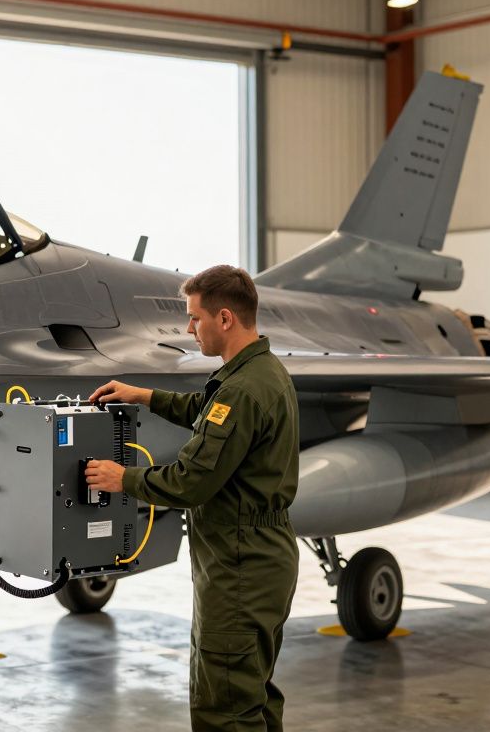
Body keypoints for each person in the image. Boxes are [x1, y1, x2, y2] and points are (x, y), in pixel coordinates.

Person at [84, 264, 299, 732]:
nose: (188, 328)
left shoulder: (242, 389)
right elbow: (208, 414)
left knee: (224, 709)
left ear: (225, 319)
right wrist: (144, 395)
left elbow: (190, 482)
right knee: (253, 696)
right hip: (257, 560)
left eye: (195, 318)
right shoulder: (260, 372)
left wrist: (124, 479)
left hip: (239, 566)